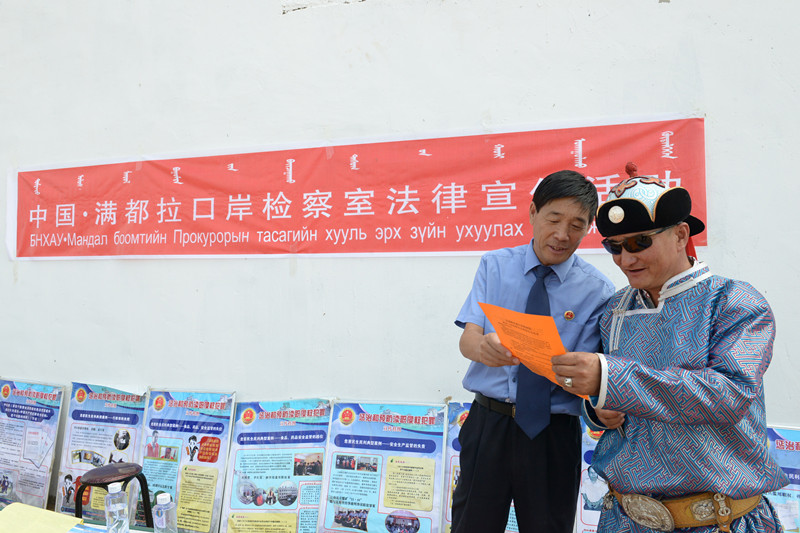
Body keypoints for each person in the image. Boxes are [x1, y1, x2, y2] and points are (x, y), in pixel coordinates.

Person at [551, 171, 789, 532]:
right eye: (615, 247)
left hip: (717, 520)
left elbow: (729, 395)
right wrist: (598, 408)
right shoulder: (614, 310)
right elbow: (605, 396)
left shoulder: (734, 302)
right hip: (624, 518)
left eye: (639, 242)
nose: (625, 259)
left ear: (680, 235)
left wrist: (612, 379)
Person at [453, 170, 615, 533]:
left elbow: (589, 376)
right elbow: (468, 340)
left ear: (589, 228)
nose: (562, 235)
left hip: (553, 433)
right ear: (532, 212)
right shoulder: (495, 266)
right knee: (471, 525)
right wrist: (484, 348)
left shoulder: (598, 291)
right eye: (553, 219)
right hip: (488, 424)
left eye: (576, 225)